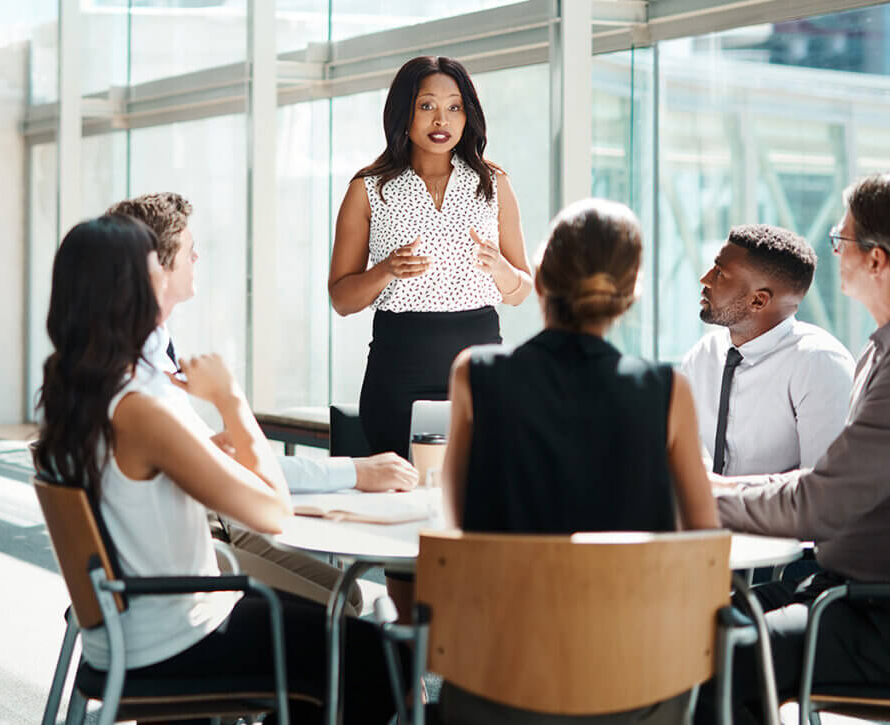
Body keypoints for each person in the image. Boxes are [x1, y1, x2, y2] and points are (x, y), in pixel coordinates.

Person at [33, 214, 403, 724]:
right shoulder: (139, 408)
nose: (166, 280)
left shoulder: (77, 393)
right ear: (131, 291)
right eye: (154, 272)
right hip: (176, 639)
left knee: (341, 649)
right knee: (383, 659)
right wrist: (232, 400)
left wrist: (216, 445)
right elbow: (272, 512)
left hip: (136, 631)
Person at [439, 198, 719, 723]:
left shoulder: (474, 374)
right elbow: (701, 546)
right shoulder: (666, 390)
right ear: (629, 296)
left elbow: (456, 528)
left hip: (495, 683)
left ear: (539, 279)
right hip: (638, 686)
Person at [702, 173, 890, 724]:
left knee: (712, 654)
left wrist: (696, 501)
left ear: (877, 262)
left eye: (841, 240)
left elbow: (820, 504)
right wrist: (720, 488)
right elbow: (826, 483)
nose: (834, 251)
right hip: (859, 595)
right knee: (698, 623)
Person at [108, 192, 417, 614]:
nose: (197, 255)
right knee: (342, 612)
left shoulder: (145, 360)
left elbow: (221, 464)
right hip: (185, 562)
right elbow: (264, 500)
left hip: (196, 531)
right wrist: (230, 398)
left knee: (349, 594)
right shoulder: (141, 386)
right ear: (154, 267)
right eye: (186, 248)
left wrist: (215, 450)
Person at [329, 55, 533, 461]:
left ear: (467, 114)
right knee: (401, 487)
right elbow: (341, 299)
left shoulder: (494, 184)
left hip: (480, 371)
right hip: (398, 370)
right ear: (403, 112)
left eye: (454, 107)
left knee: (479, 491)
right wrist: (385, 270)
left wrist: (499, 268)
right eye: (427, 106)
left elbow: (521, 290)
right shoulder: (369, 188)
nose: (442, 120)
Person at [681, 224, 854, 476]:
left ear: (758, 300)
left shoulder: (819, 364)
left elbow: (824, 491)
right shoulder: (704, 355)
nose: (705, 279)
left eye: (720, 273)